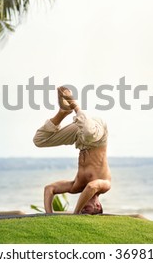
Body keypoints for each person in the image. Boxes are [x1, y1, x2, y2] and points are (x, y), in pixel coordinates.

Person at [33, 86, 111, 215]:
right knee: (89, 133)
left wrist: (48, 215)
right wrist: (76, 213)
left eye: (83, 211)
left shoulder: (77, 186)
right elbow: (91, 187)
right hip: (97, 135)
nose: (84, 210)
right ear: (98, 206)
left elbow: (49, 188)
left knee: (39, 140)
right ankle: (74, 104)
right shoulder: (105, 185)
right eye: (87, 210)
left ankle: (63, 112)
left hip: (81, 139)